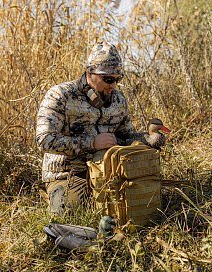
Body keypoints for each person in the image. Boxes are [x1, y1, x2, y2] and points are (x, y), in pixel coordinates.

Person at [36, 42, 148, 215]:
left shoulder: (118, 100)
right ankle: (55, 195)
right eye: (108, 79)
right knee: (69, 216)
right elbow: (44, 140)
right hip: (68, 174)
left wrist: (148, 139)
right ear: (90, 72)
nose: (113, 85)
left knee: (143, 204)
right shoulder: (60, 95)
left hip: (110, 171)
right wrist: (91, 143)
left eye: (117, 79)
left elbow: (126, 137)